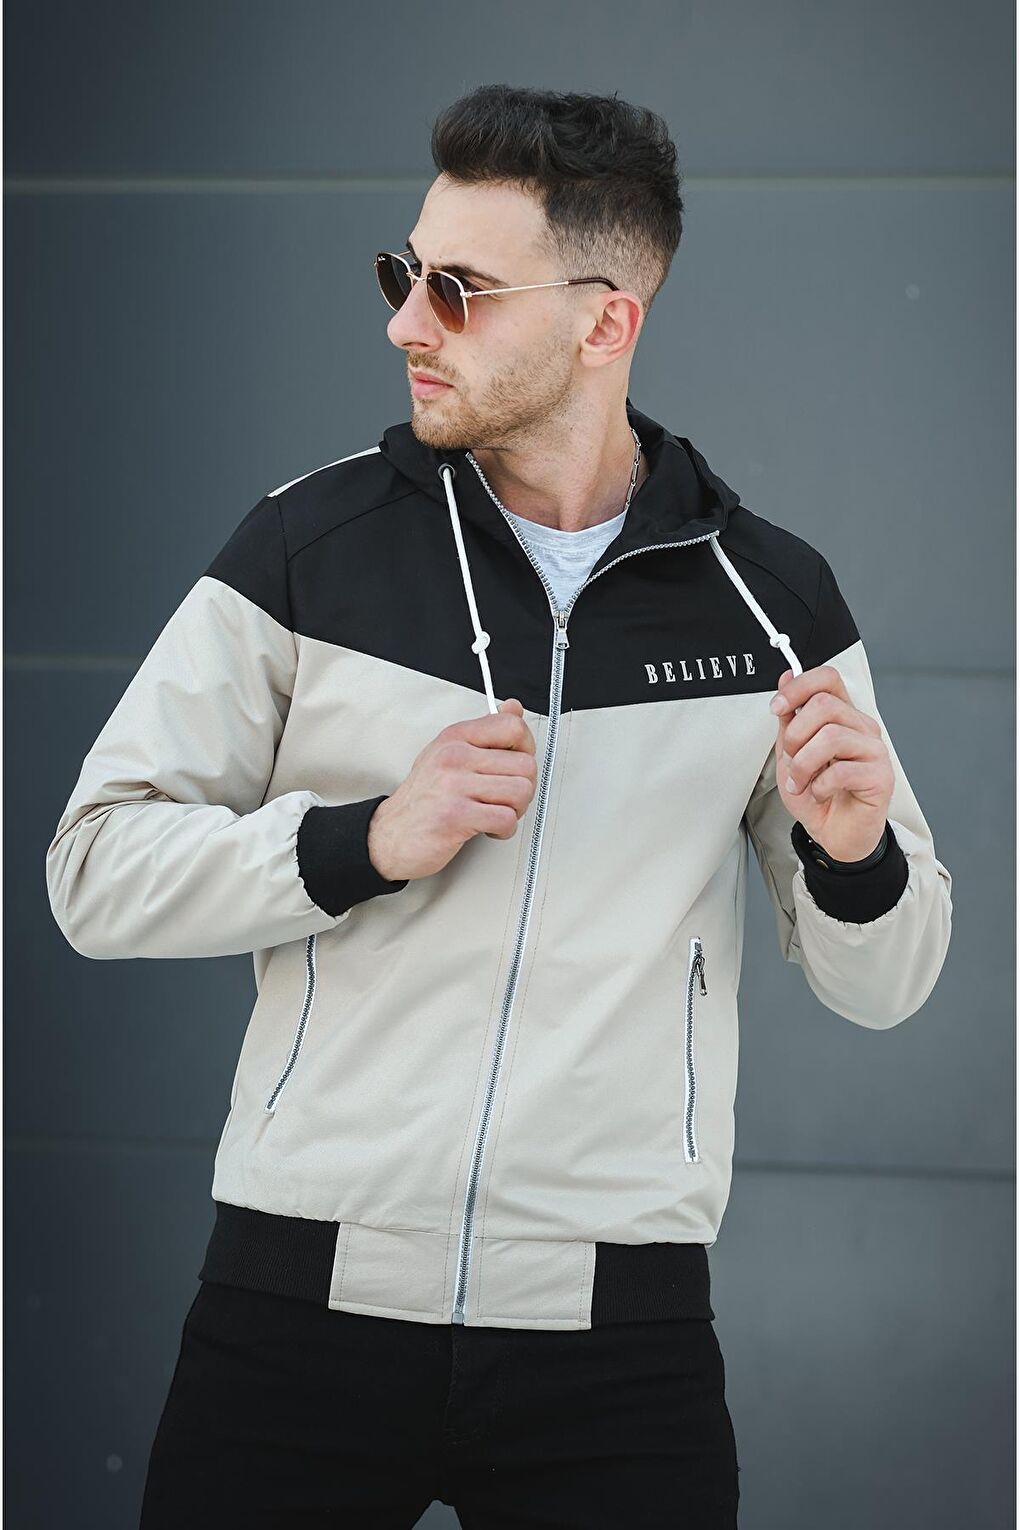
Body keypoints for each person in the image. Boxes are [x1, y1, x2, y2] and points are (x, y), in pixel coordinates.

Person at [45, 84, 953, 1529]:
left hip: (618, 1348)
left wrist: (854, 858)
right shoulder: (307, 546)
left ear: (605, 323)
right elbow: (91, 869)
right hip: (296, 1312)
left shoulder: (772, 603)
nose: (407, 323)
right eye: (402, 275)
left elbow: (889, 983)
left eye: (458, 291)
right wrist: (361, 841)